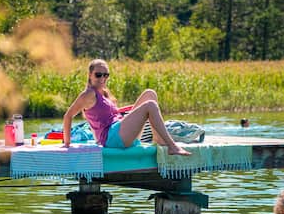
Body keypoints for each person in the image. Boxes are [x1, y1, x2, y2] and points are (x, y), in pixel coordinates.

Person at [62, 59, 190, 155]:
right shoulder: (88, 94)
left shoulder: (104, 93)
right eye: (98, 75)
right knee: (150, 105)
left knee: (150, 94)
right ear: (90, 75)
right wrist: (67, 144)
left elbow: (108, 115)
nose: (102, 78)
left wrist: (133, 111)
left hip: (120, 130)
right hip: (111, 137)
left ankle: (159, 139)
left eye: (106, 75)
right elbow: (68, 116)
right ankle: (172, 146)